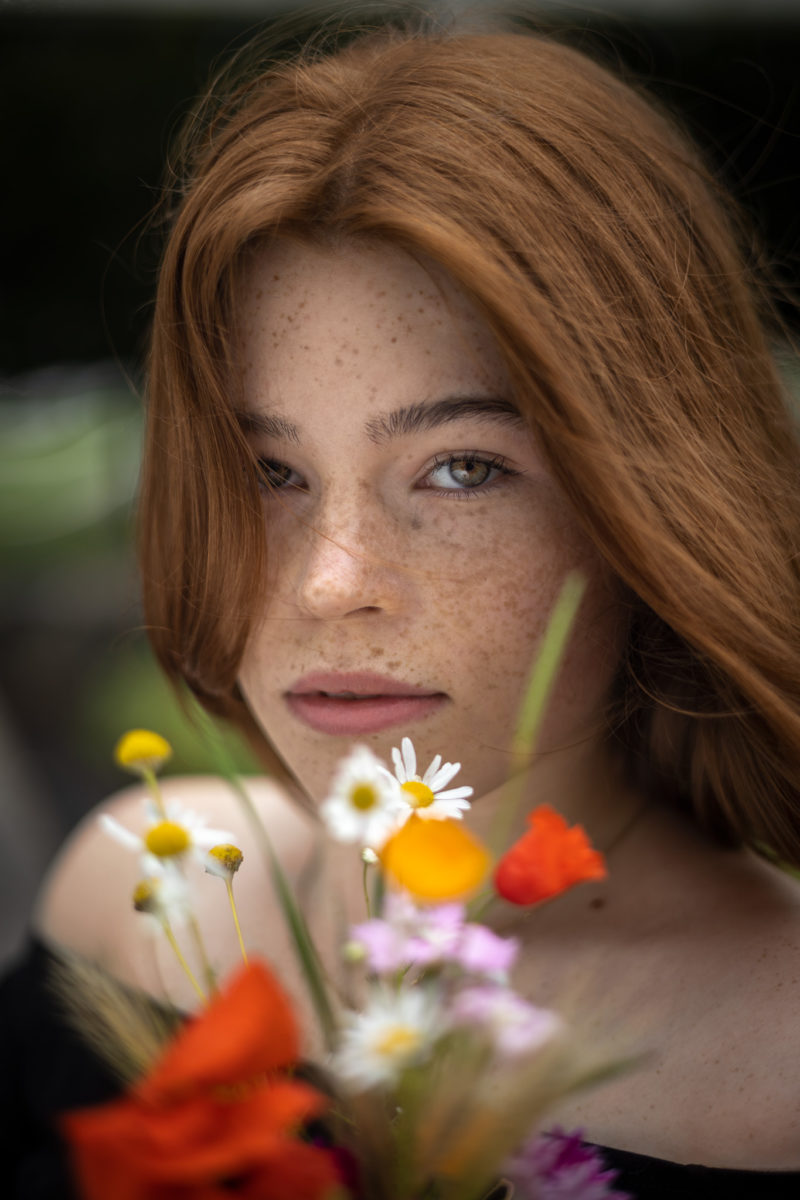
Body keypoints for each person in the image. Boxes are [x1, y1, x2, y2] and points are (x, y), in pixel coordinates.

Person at [4, 16, 800, 1198]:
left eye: (462, 469)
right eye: (266, 471)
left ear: (645, 503)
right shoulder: (145, 896)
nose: (330, 583)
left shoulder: (776, 1059)